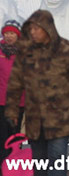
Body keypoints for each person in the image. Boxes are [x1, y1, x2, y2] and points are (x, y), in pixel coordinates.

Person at [4, 9, 69, 176]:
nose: (33, 33)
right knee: (39, 161)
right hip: (35, 117)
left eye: (37, 29)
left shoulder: (68, 50)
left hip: (61, 118)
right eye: (31, 29)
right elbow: (16, 83)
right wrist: (13, 110)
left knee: (57, 158)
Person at [0, 20, 22, 160]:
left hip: (19, 101)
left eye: (12, 33)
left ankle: (13, 164)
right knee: (2, 134)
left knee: (15, 134)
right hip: (1, 100)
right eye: (6, 33)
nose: (9, 36)